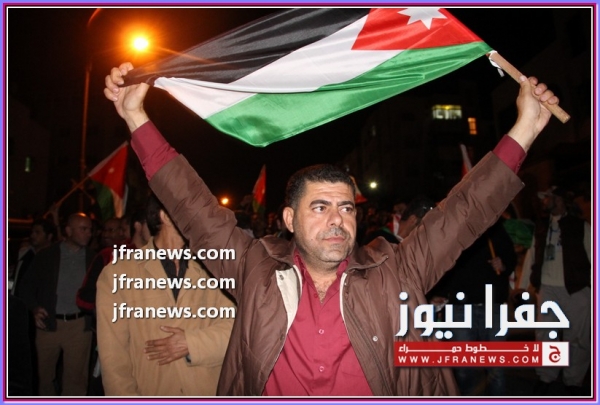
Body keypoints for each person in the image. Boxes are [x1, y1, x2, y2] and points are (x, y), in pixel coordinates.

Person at [105, 61, 557, 396]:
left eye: (345, 208)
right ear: (289, 219)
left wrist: (525, 127)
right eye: (319, 207)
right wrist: (136, 118)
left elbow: (465, 211)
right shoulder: (254, 272)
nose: (337, 219)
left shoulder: (395, 273)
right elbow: (193, 207)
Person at [96, 194, 235, 396]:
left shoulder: (216, 267)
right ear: (166, 216)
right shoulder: (118, 273)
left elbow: (236, 330)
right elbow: (114, 358)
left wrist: (191, 344)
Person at [428, 219, 517, 395]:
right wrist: (438, 292)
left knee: (496, 368)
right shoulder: (453, 230)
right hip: (460, 307)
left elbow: (510, 257)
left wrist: (503, 264)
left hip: (493, 306)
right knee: (463, 369)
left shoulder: (493, 227)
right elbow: (441, 265)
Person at [525, 186, 591, 396]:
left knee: (578, 337)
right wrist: (523, 286)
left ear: (559, 199)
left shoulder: (581, 226)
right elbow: (532, 256)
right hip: (547, 288)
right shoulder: (542, 227)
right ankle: (546, 376)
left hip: (576, 289)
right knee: (545, 335)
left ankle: (573, 380)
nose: (544, 201)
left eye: (548, 197)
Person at [21, 213, 94, 396]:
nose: (89, 233)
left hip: (79, 326)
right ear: (68, 231)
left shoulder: (94, 258)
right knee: (42, 377)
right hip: (48, 324)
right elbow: (26, 287)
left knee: (76, 380)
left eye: (90, 229)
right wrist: (34, 309)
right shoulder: (47, 256)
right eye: (83, 229)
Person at [11, 218, 57, 298]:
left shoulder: (54, 257)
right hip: (19, 301)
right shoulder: (25, 253)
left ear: (49, 236)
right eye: (32, 232)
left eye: (37, 232)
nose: (32, 235)